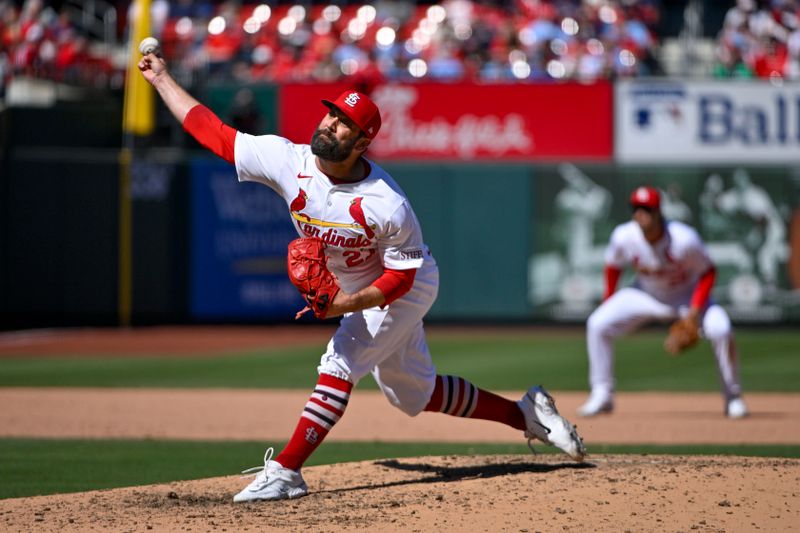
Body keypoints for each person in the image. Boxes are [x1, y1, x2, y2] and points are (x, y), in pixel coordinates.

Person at [137, 49, 586, 502]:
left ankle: (287, 470)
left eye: (342, 124)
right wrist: (162, 80)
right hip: (359, 288)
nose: (329, 125)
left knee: (340, 361)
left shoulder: (386, 202)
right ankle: (526, 414)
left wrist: (346, 306)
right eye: (330, 116)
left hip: (403, 286)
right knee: (413, 395)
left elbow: (401, 280)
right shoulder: (286, 160)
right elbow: (212, 132)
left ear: (361, 142)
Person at [578, 186, 748, 419]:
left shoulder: (684, 239)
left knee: (722, 329)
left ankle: (733, 398)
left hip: (686, 296)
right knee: (597, 323)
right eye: (636, 208)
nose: (640, 214)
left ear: (658, 212)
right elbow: (613, 266)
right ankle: (602, 394)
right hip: (645, 294)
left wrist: (695, 311)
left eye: (646, 209)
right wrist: (609, 300)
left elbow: (708, 272)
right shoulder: (624, 235)